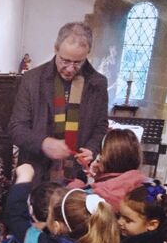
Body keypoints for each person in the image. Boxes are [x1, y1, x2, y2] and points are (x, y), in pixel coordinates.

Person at [8, 22, 108, 184]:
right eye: (65, 60)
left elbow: (101, 125)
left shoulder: (98, 83)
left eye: (78, 62)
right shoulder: (32, 79)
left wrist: (92, 149)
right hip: (35, 173)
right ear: (56, 48)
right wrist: (43, 143)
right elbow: (16, 128)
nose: (70, 69)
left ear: (87, 53)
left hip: (74, 176)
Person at [68, 128, 149, 211]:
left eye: (101, 152)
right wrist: (99, 176)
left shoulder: (95, 195)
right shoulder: (146, 186)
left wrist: (80, 181)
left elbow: (66, 203)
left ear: (105, 156)